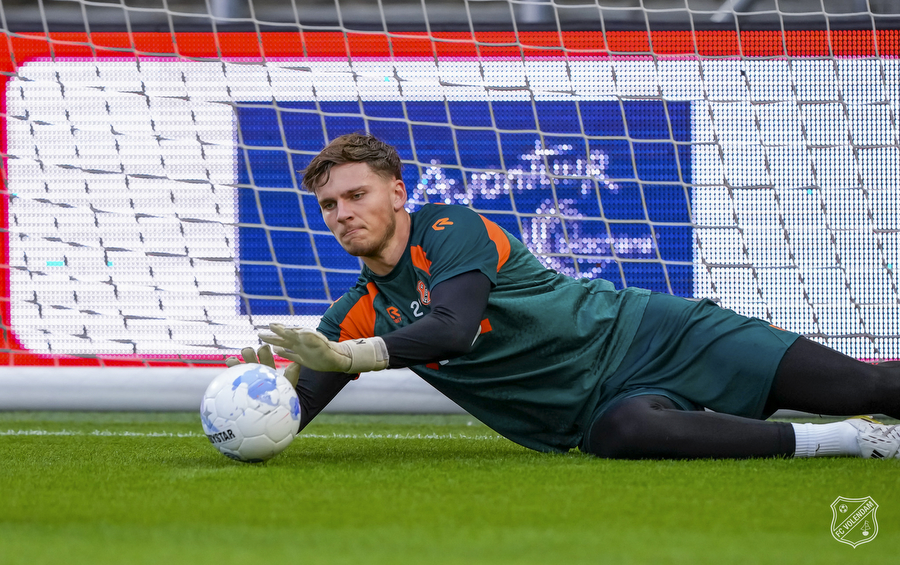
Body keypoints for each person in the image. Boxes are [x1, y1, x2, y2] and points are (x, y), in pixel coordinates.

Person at [228, 132, 900, 459]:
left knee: (866, 385)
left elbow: (453, 327)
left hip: (654, 334)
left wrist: (353, 357)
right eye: (329, 205)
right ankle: (845, 441)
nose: (343, 213)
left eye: (357, 195)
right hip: (597, 409)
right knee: (624, 435)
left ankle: (861, 409)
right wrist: (259, 396)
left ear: (397, 193)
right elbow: (293, 411)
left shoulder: (448, 228)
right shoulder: (355, 313)